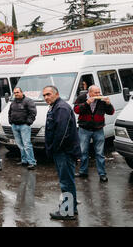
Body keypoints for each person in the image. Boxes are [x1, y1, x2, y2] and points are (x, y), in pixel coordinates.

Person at [43, 85, 81, 221]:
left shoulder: (61, 108)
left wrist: (54, 149)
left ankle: (67, 211)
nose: (46, 97)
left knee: (66, 182)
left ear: (56, 94)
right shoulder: (55, 107)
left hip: (64, 152)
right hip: (63, 152)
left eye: (48, 94)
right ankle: (72, 207)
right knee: (68, 181)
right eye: (44, 95)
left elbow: (62, 133)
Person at [73, 85, 114, 182]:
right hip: (84, 129)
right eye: (96, 93)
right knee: (83, 152)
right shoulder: (82, 98)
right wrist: (87, 103)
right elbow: (76, 110)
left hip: (98, 129)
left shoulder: (102, 99)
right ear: (90, 93)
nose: (98, 94)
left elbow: (111, 112)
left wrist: (108, 104)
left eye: (99, 92)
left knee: (99, 153)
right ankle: (83, 172)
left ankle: (102, 174)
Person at [8, 87, 37, 170]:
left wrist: (28, 122)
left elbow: (33, 112)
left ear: (21, 92)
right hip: (15, 126)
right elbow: (10, 112)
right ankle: (24, 161)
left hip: (24, 126)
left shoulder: (28, 101)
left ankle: (32, 162)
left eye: (17, 92)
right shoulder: (13, 102)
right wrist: (10, 121)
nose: (16, 94)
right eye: (14, 93)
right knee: (20, 145)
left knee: (27, 145)